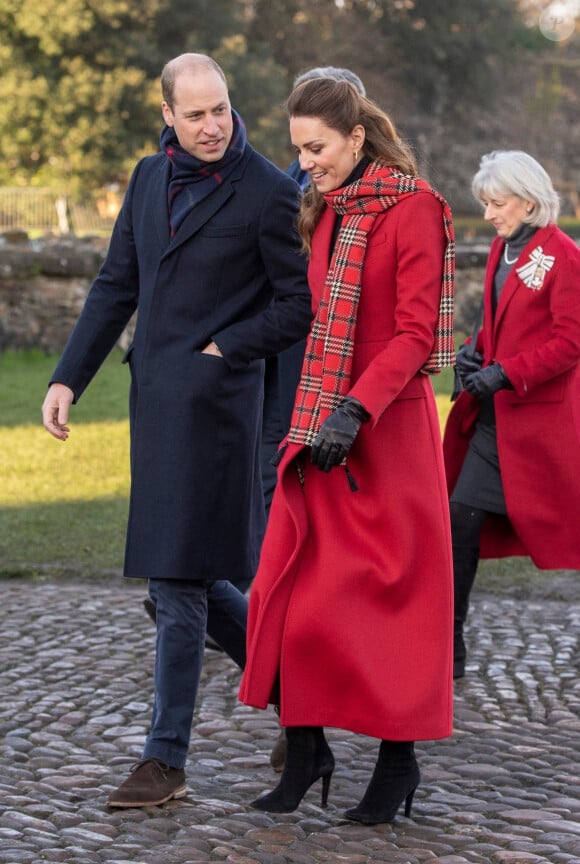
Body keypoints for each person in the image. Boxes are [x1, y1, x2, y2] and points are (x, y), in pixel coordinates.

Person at [41, 53, 312, 809]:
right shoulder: (146, 178)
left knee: (176, 580)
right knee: (193, 580)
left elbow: (297, 307)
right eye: (194, 114)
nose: (212, 125)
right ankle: (301, 699)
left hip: (221, 414)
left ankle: (165, 759)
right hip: (155, 409)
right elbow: (115, 285)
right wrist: (67, 377)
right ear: (167, 114)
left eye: (220, 109)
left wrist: (226, 348)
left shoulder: (265, 191)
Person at [239, 77, 456, 824]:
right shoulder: (326, 211)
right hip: (320, 426)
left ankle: (398, 766)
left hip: (384, 432)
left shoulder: (416, 208)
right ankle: (307, 752)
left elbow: (415, 335)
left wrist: (356, 409)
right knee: (295, 595)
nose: (304, 164)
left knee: (393, 607)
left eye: (317, 148)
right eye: (297, 149)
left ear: (356, 138)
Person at [443, 150, 580, 680]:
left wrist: (506, 373)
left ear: (528, 201)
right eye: (487, 204)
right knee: (459, 518)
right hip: (495, 421)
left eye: (497, 204)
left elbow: (570, 342)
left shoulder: (563, 256)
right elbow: (499, 324)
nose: (490, 215)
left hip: (536, 424)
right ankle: (449, 641)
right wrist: (473, 352)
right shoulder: (505, 246)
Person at [261, 66, 367, 514]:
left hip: (341, 348)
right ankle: (270, 573)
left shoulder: (373, 192)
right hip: (284, 346)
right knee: (274, 461)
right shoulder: (283, 183)